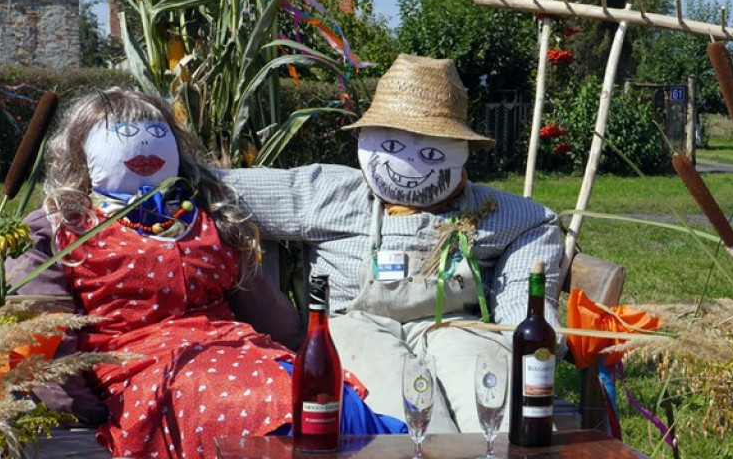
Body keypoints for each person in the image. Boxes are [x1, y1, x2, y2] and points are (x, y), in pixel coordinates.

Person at [6, 87, 405, 459]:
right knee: (280, 408)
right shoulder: (63, 228)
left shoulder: (201, 218)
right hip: (145, 369)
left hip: (241, 352)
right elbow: (42, 326)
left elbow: (268, 311)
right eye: (123, 135)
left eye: (156, 133)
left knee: (332, 401)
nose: (143, 148)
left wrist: (303, 352)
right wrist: (75, 407)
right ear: (82, 152)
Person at [220, 54, 565, 433]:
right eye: (393, 147)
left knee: (493, 403)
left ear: (461, 149)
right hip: (355, 326)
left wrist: (528, 321)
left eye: (432, 153)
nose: (407, 165)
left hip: (455, 328)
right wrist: (166, 181)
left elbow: (538, 226)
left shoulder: (490, 210)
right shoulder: (331, 193)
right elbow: (225, 191)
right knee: (401, 413)